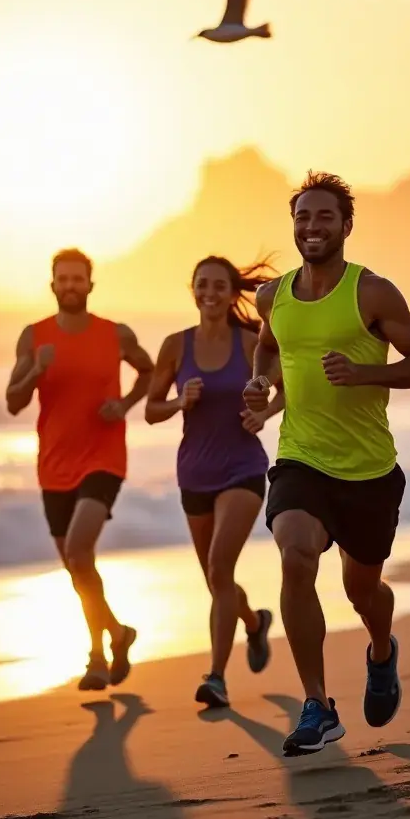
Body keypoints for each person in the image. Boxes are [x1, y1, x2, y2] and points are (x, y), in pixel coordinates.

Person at [243, 171, 410, 756]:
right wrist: (260, 383)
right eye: (303, 217)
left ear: (347, 226)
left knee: (363, 590)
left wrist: (365, 373)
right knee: (296, 557)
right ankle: (317, 705)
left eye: (324, 217)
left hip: (369, 469)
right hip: (300, 457)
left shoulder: (371, 293)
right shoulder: (273, 296)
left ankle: (382, 649)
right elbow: (270, 346)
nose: (312, 227)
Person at [6, 248, 155, 691]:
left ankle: (95, 656)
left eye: (78, 279)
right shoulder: (34, 338)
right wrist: (35, 370)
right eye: (63, 279)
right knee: (78, 566)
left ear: (91, 285)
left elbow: (148, 372)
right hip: (53, 464)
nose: (70, 286)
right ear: (52, 285)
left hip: (104, 459)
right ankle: (117, 633)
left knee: (77, 551)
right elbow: (13, 402)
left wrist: (125, 403)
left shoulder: (116, 335)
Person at [146, 255, 285, 708]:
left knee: (219, 569)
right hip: (195, 472)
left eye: (219, 285)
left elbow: (289, 384)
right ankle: (253, 620)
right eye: (202, 284)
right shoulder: (174, 346)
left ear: (231, 293)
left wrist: (264, 412)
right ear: (193, 289)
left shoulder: (251, 343)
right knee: (215, 577)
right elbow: (150, 410)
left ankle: (217, 677)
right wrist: (177, 402)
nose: (210, 292)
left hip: (242, 468)